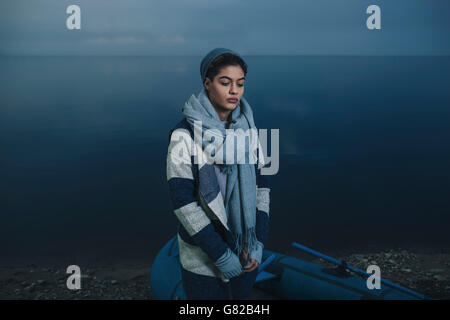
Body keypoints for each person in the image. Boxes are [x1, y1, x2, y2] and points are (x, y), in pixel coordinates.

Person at [166, 48, 271, 299]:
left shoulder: (251, 131)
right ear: (207, 83)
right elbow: (184, 203)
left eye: (240, 84)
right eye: (225, 83)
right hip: (203, 257)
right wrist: (220, 255)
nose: (234, 91)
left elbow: (263, 190)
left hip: (245, 250)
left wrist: (257, 246)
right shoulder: (184, 136)